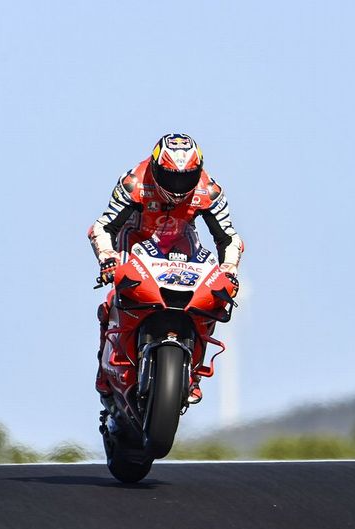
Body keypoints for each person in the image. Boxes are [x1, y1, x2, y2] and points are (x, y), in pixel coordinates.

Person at [88, 133, 244, 404]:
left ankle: (193, 373)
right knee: (115, 297)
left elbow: (229, 237)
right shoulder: (134, 182)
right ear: (156, 167)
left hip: (181, 244)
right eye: (171, 177)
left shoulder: (210, 190)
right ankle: (106, 371)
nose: (178, 186)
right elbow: (103, 226)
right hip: (135, 241)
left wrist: (229, 269)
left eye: (186, 177)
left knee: (213, 298)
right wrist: (107, 258)